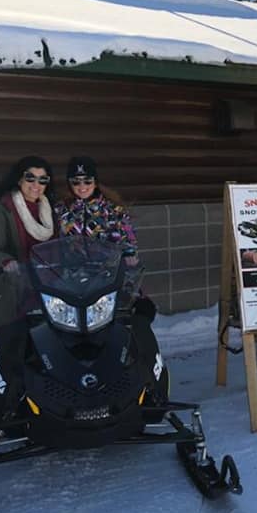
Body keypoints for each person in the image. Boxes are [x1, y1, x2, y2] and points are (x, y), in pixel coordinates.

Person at [55, 156, 166, 404]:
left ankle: (150, 387)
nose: (82, 186)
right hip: (74, 285)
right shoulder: (61, 211)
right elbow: (50, 245)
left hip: (110, 282)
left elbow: (129, 245)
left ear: (96, 181)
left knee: (127, 329)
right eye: (76, 181)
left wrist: (128, 262)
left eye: (87, 181)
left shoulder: (112, 211)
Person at [0, 156, 56, 426]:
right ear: (19, 179)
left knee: (48, 352)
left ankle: (47, 406)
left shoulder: (50, 210)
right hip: (16, 292)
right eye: (30, 177)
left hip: (49, 293)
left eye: (42, 179)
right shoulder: (5, 209)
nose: (36, 184)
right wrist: (7, 262)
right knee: (10, 355)